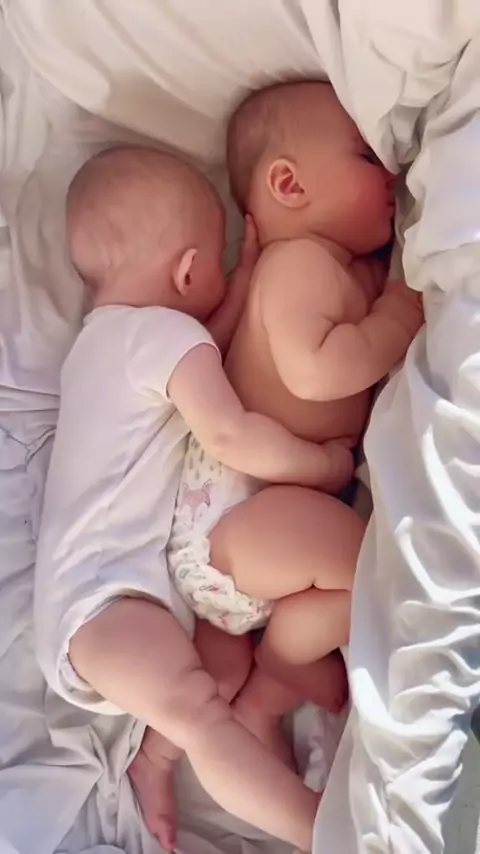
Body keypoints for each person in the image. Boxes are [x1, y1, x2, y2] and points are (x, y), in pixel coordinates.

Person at [34, 144, 358, 852]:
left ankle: (153, 762)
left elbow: (196, 350)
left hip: (110, 596)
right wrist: (320, 461)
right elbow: (230, 432)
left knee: (224, 670)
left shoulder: (103, 345)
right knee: (203, 713)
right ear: (186, 270)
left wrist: (237, 288)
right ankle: (323, 833)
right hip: (103, 602)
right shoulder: (159, 335)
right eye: (218, 258)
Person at [129, 80, 425, 845]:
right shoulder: (297, 265)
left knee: (217, 678)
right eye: (365, 157)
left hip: (252, 539)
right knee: (371, 566)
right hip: (238, 517)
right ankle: (280, 673)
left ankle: (172, 746)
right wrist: (398, 315)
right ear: (289, 184)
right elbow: (316, 373)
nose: (389, 174)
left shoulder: (337, 268)